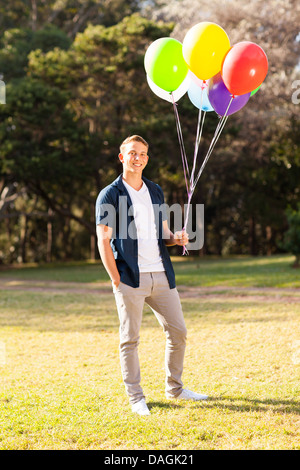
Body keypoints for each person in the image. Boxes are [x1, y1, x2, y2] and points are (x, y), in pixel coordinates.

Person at [95, 135, 208, 416]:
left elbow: (164, 234)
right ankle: (136, 398)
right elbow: (103, 240)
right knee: (130, 339)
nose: (138, 158)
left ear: (147, 158)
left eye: (143, 153)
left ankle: (176, 389)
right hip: (130, 278)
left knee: (178, 331)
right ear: (122, 157)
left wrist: (177, 238)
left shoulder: (155, 190)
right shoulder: (110, 194)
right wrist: (115, 278)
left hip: (161, 274)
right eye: (132, 153)